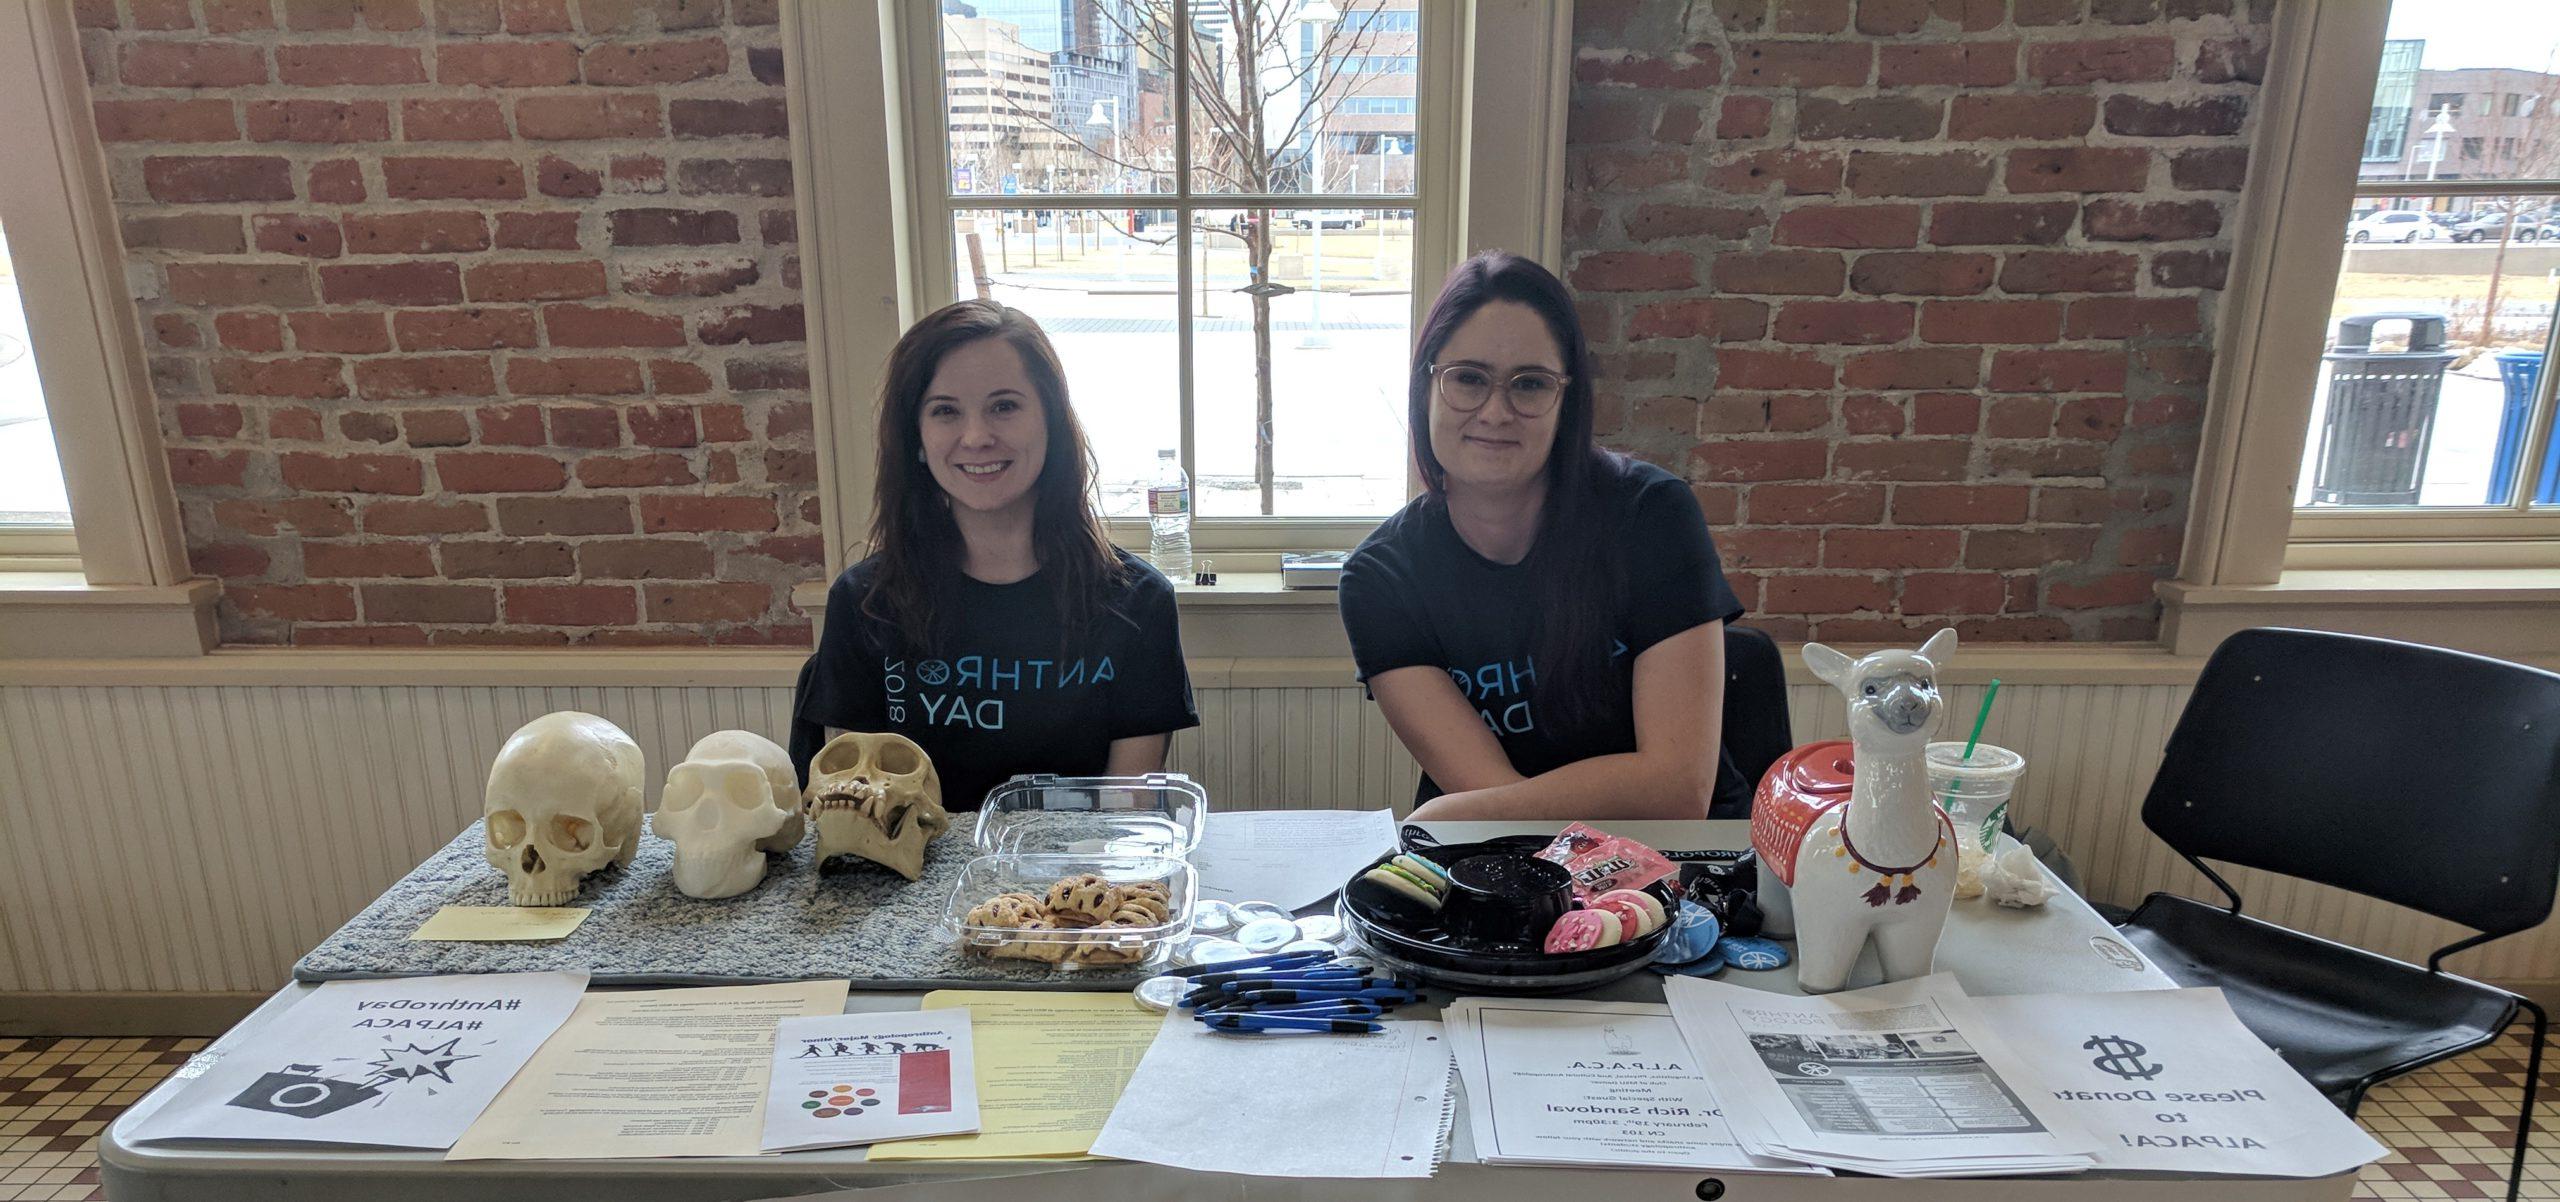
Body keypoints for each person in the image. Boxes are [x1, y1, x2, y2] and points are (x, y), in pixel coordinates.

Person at [1338, 251, 1748, 821]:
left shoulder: (1652, 514)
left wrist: (1447, 816)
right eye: (1468, 379)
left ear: (1566, 401)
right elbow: (1508, 820)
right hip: (1502, 866)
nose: (1495, 412)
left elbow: (1679, 792)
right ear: (1425, 386)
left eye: (1529, 384)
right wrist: (1622, 785)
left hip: (1687, 861)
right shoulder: (1380, 578)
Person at [793, 300, 1197, 811]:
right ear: (916, 437)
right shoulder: (864, 603)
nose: (977, 436)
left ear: (1050, 421)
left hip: (1069, 879)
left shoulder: (1140, 603)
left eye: (1004, 406)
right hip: (914, 883)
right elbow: (862, 815)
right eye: (945, 411)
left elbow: (1125, 815)